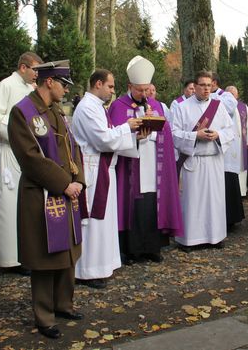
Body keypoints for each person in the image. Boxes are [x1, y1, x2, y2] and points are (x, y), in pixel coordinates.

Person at [8, 60, 85, 340]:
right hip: (41, 195)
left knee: (67, 252)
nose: (66, 90)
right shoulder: (22, 112)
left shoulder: (57, 111)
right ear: (49, 81)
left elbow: (73, 146)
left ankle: (64, 303)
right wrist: (65, 184)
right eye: (63, 84)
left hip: (67, 192)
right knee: (45, 256)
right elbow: (30, 158)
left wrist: (78, 181)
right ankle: (44, 316)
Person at [109, 56, 184, 262]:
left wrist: (155, 129)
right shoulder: (118, 106)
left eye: (146, 90)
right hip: (131, 164)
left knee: (153, 203)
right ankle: (131, 251)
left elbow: (166, 132)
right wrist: (135, 136)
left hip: (154, 163)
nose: (144, 94)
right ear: (129, 86)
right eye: (140, 90)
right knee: (133, 205)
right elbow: (113, 136)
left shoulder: (156, 105)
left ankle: (153, 248)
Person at [73, 69, 140, 289]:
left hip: (104, 167)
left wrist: (134, 135)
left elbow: (110, 136)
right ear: (98, 84)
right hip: (93, 170)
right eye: (110, 86)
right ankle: (86, 270)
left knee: (104, 222)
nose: (113, 91)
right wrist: (127, 128)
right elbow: (102, 140)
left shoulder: (97, 107)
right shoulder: (86, 107)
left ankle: (102, 265)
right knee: (93, 222)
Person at [0, 51, 41, 273]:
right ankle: (9, 258)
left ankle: (26, 254)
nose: (37, 74)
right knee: (8, 206)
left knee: (27, 204)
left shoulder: (31, 90)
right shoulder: (6, 86)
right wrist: (19, 134)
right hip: (8, 152)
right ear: (23, 67)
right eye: (35, 69)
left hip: (27, 154)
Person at [172, 70, 234, 249]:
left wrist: (219, 134)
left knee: (214, 200)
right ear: (195, 86)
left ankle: (215, 237)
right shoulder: (182, 107)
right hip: (194, 160)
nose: (206, 89)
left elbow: (230, 130)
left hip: (213, 160)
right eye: (202, 85)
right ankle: (190, 240)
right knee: (193, 201)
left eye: (209, 85)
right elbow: (174, 134)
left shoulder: (218, 106)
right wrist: (195, 136)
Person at [223, 85, 248, 230]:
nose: (231, 96)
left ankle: (242, 192)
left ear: (237, 95)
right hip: (226, 147)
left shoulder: (243, 107)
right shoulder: (222, 105)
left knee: (240, 171)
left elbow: (247, 124)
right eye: (229, 93)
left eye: (234, 93)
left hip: (239, 144)